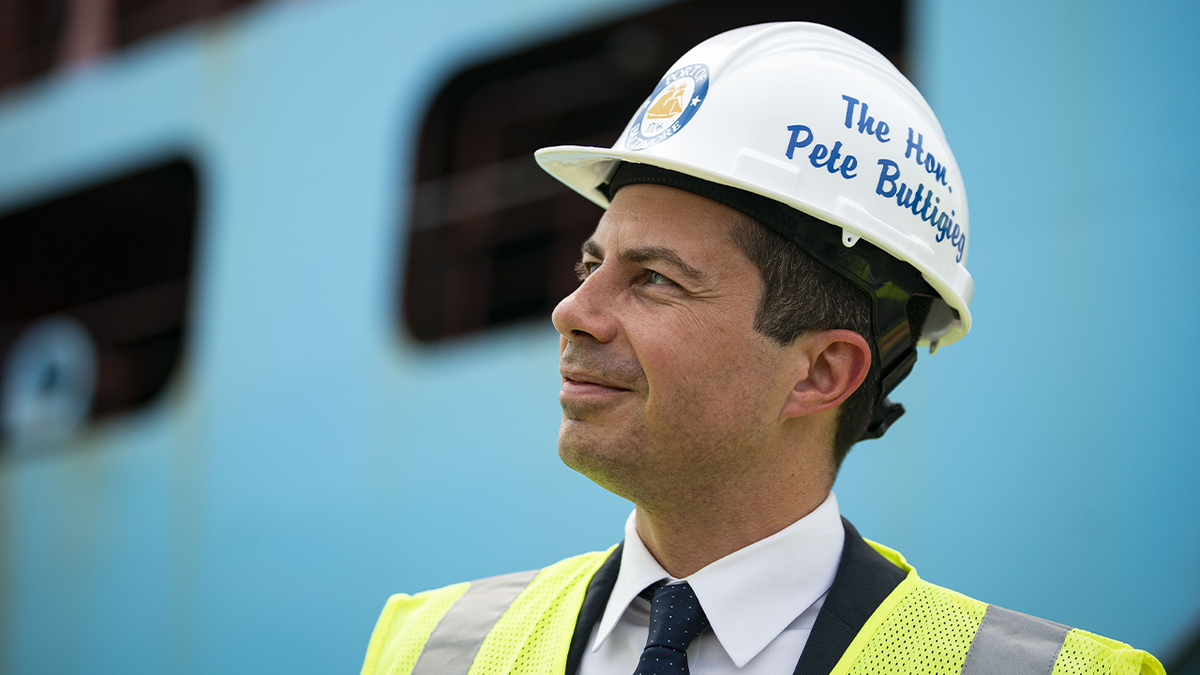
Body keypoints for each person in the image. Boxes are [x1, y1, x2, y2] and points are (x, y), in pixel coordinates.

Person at [360, 22, 1163, 675]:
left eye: (654, 281)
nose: (574, 310)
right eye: (591, 263)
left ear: (821, 371)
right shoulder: (422, 646)